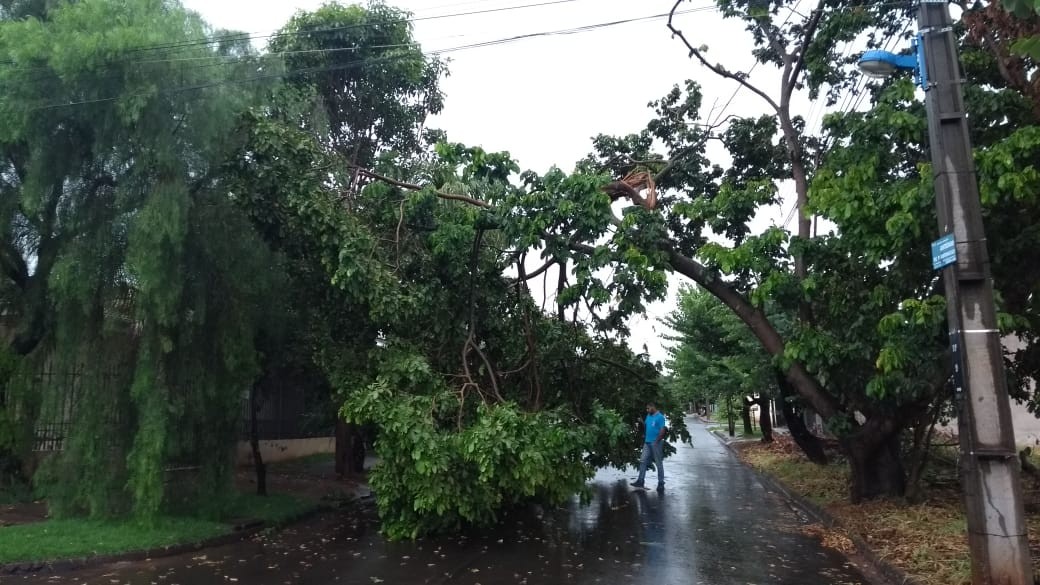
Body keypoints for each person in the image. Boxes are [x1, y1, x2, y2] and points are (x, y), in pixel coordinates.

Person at [631, 401, 666, 491]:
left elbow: (662, 431)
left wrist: (656, 441)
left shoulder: (660, 417)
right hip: (647, 442)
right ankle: (640, 481)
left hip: (656, 443)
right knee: (642, 460)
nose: (647, 410)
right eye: (646, 409)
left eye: (648, 408)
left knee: (658, 463)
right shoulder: (648, 416)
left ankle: (661, 483)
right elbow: (647, 426)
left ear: (653, 407)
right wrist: (641, 422)